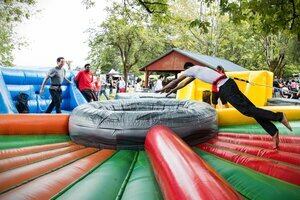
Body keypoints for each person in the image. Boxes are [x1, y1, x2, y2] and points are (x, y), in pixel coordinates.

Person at [156, 62, 293, 149]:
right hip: (229, 83)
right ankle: (273, 132)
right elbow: (183, 84)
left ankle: (279, 116)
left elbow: (178, 81)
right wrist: (173, 91)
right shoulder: (198, 70)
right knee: (251, 109)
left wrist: (164, 89)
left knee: (246, 110)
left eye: (185, 72)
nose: (185, 74)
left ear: (187, 68)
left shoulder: (191, 70)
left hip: (225, 87)